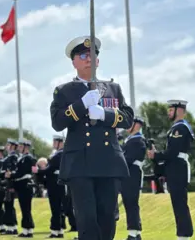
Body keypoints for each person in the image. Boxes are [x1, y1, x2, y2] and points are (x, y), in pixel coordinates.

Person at [50, 35, 134, 240]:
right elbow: (58, 122)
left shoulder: (113, 88)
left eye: (93, 54)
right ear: (74, 62)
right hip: (80, 163)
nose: (89, 58)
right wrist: (81, 105)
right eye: (83, 55)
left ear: (98, 60)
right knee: (87, 218)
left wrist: (104, 115)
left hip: (108, 161)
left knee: (107, 217)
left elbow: (128, 119)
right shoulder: (64, 91)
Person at [147, 100, 194, 240]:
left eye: (171, 109)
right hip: (175, 166)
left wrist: (156, 155)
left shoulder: (179, 128)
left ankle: (184, 236)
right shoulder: (177, 127)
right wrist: (157, 157)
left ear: (179, 110)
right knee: (178, 203)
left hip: (178, 167)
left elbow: (173, 152)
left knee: (179, 204)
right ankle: (183, 235)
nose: (169, 112)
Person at [121, 117, 147, 240]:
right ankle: (135, 233)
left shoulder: (138, 141)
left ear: (137, 125)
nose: (127, 126)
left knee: (131, 202)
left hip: (133, 172)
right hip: (128, 173)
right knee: (129, 202)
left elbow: (128, 159)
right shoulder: (131, 140)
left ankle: (133, 233)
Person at [14, 139, 36, 237]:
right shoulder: (22, 158)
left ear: (26, 147)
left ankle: (28, 230)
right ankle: (26, 229)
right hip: (21, 185)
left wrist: (12, 175)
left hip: (25, 185)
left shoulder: (28, 158)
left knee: (26, 208)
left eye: (21, 146)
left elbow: (22, 172)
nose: (19, 148)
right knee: (24, 208)